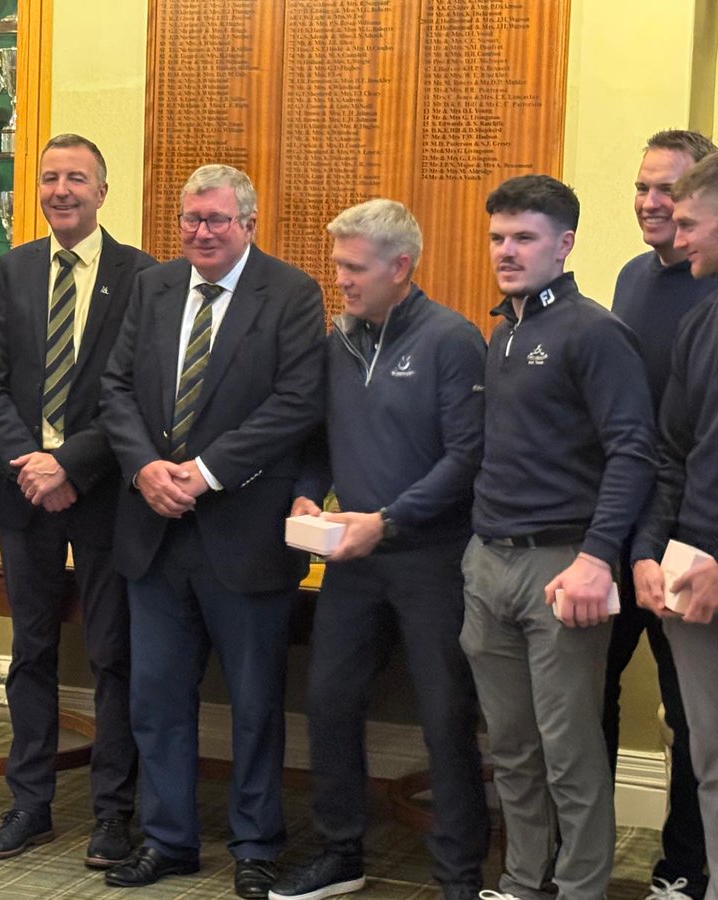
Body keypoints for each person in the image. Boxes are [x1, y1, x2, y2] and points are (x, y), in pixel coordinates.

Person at [99, 164, 325, 898]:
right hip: (155, 530)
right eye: (191, 219)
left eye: (217, 220)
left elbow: (297, 402)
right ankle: (168, 839)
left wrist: (205, 471)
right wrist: (144, 468)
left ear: (248, 224)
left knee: (256, 705)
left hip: (244, 532)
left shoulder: (291, 294)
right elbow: (115, 388)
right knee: (157, 700)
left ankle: (255, 847)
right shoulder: (153, 287)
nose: (201, 232)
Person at [271, 200, 488, 900]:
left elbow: (465, 458)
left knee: (445, 715)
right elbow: (318, 443)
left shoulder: (452, 339)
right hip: (353, 559)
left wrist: (388, 521)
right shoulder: (336, 343)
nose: (340, 279)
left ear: (400, 267)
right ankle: (341, 852)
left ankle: (458, 873)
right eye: (338, 264)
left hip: (433, 559)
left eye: (354, 267)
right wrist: (307, 495)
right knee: (329, 701)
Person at [460, 174, 657, 900]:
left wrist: (598, 557)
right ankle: (522, 881)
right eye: (497, 237)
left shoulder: (593, 332)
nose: (506, 251)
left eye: (524, 237)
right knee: (512, 747)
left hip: (564, 565)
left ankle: (579, 890)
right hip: (490, 562)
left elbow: (633, 451)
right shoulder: (503, 332)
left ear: (564, 244)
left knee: (569, 750)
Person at [0, 134, 154, 866]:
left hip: (103, 491)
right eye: (50, 178)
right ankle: (30, 805)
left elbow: (136, 392)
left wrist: (70, 464)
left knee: (113, 653)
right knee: (32, 651)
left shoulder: (141, 276)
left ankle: (113, 813)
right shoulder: (11, 270)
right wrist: (31, 465)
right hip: (25, 491)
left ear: (103, 191)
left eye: (76, 178)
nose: (61, 190)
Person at [604, 129, 715, 900]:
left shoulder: (710, 290)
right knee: (588, 695)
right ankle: (582, 858)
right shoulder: (630, 280)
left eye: (670, 193)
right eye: (643, 188)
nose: (653, 205)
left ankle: (685, 867)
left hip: (694, 542)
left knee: (693, 717)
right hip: (622, 530)